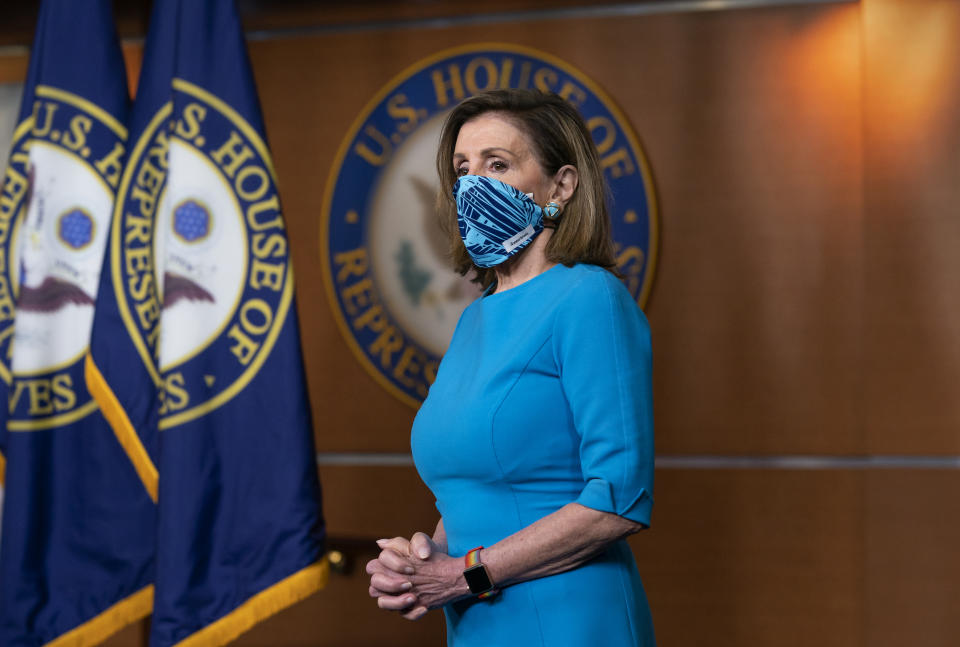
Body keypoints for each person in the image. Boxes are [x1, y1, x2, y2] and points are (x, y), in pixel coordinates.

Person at [366, 89, 655, 646]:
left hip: (570, 621)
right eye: (462, 168)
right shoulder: (474, 320)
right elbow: (479, 487)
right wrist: (419, 561)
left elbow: (619, 499)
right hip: (477, 622)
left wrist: (464, 574)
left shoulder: (588, 299)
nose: (472, 183)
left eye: (497, 164)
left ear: (561, 186)